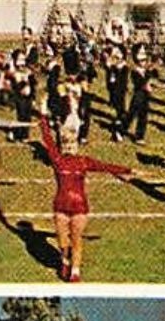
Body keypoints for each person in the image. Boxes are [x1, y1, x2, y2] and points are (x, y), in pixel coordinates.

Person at [36, 115, 134, 283]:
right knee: (62, 241)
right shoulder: (57, 160)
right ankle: (65, 259)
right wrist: (43, 118)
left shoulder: (84, 161)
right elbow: (48, 140)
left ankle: (75, 271)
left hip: (79, 206)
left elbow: (105, 166)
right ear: (62, 146)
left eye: (72, 144)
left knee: (76, 239)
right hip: (60, 206)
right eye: (66, 144)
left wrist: (128, 170)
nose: (69, 147)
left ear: (77, 145)